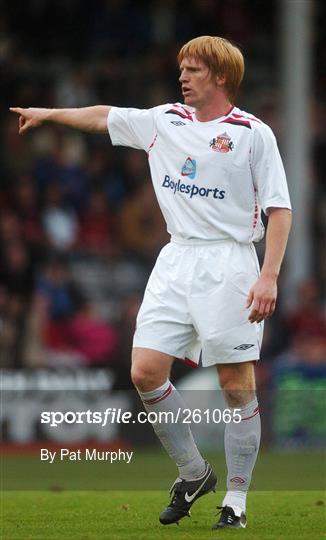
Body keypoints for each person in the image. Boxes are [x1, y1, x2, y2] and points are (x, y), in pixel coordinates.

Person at [10, 35, 292, 530]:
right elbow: (104, 116)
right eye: (182, 68)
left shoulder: (253, 134)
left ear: (222, 77)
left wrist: (268, 276)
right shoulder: (164, 121)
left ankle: (236, 501)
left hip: (230, 262)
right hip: (176, 257)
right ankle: (193, 472)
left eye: (194, 69)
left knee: (235, 385)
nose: (183, 76)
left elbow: (279, 209)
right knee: (144, 372)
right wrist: (50, 112)